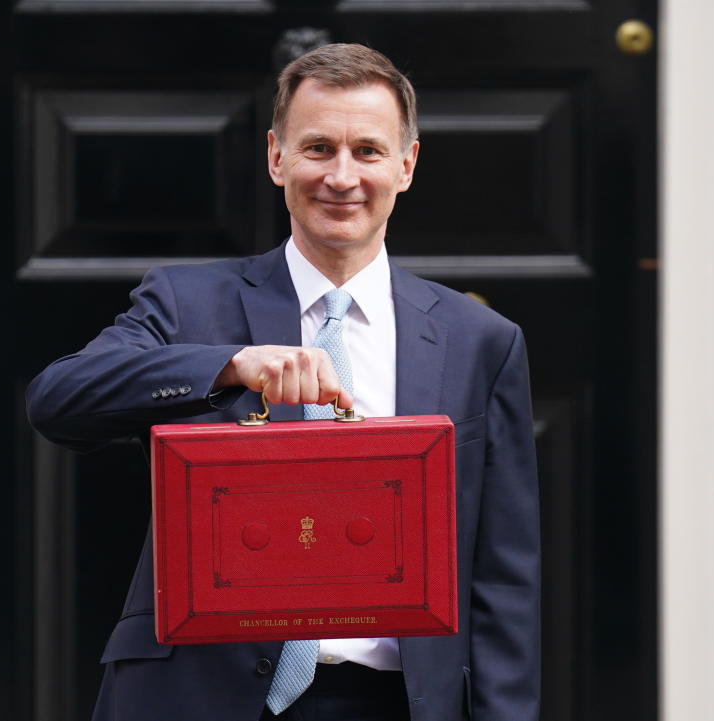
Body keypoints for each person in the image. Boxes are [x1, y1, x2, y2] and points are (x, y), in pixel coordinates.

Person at [27, 43, 539, 721]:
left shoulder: (481, 343)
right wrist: (229, 365)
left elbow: (503, 581)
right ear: (277, 157)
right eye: (319, 147)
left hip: (395, 700)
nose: (342, 175)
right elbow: (60, 398)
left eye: (369, 151)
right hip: (201, 698)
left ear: (407, 165)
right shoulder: (187, 303)